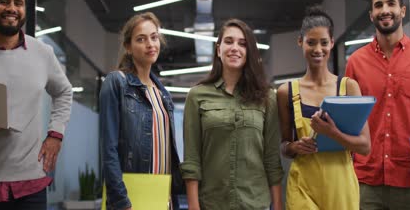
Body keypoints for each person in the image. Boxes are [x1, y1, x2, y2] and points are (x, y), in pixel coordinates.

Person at [0, 0, 73, 209]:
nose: (12, 8)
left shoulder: (43, 53)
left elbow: (64, 91)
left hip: (30, 185)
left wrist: (55, 134)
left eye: (18, 3)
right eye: (4, 1)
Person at [345, 0, 410, 209]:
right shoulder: (356, 62)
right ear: (371, 14)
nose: (385, 10)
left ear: (402, 10)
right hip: (364, 183)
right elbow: (348, 123)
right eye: (378, 5)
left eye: (391, 3)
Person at [181, 19, 284, 210]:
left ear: (249, 52)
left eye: (242, 43)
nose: (235, 48)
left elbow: (272, 159)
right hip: (211, 204)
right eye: (229, 41)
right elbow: (191, 161)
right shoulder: (197, 96)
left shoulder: (267, 97)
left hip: (255, 204)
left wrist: (277, 206)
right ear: (218, 49)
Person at [277, 6, 371, 210]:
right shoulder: (286, 92)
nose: (317, 49)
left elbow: (365, 146)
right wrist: (294, 147)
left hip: (340, 186)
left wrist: (332, 133)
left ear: (332, 43)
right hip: (302, 185)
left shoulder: (348, 88)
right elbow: (284, 145)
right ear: (300, 42)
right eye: (311, 42)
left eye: (323, 42)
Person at [100, 12, 182, 210]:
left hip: (163, 197)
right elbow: (108, 150)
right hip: (130, 197)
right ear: (128, 47)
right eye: (141, 39)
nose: (150, 44)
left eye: (154, 37)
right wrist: (121, 201)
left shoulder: (163, 95)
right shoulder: (116, 83)